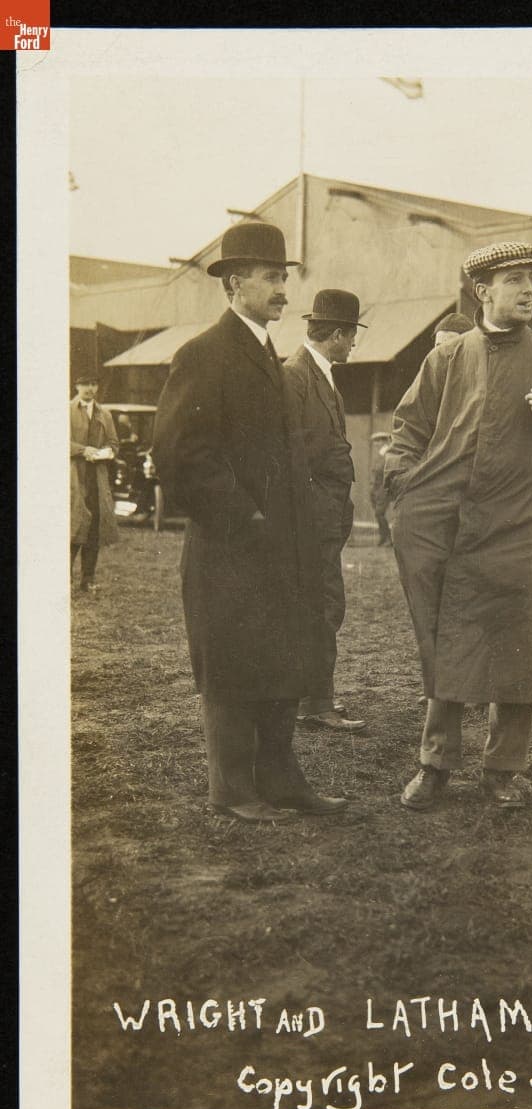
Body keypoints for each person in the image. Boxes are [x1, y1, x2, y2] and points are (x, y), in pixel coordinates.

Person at [385, 241, 532, 812]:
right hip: (459, 532)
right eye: (514, 280)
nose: (529, 290)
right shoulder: (446, 358)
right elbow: (409, 431)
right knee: (452, 645)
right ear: (482, 291)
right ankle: (435, 766)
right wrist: (406, 486)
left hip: (528, 530)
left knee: (523, 648)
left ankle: (503, 770)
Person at [152, 222, 349, 822]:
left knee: (280, 658)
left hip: (279, 547)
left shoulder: (267, 354)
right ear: (235, 284)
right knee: (235, 664)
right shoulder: (203, 355)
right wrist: (247, 514)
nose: (283, 289)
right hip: (231, 549)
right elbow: (179, 456)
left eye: (285, 277)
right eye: (270, 277)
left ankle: (281, 780)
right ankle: (232, 788)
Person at [282, 291, 367, 733]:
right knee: (322, 604)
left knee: (321, 605)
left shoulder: (319, 374)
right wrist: (313, 508)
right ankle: (315, 702)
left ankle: (310, 696)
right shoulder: (295, 376)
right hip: (310, 518)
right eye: (351, 336)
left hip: (325, 515)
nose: (353, 345)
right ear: (337, 334)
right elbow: (288, 454)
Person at [70, 372, 119, 594]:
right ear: (76, 386)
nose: (89, 388)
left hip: (97, 477)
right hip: (73, 476)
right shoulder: (67, 411)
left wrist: (108, 452)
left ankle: (88, 579)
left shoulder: (105, 414)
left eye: (93, 383)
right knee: (74, 525)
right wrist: (83, 450)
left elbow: (114, 443)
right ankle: (65, 577)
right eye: (85, 384)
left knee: (94, 529)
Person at [369, 432, 393, 546]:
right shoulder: (380, 454)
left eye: (378, 441)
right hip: (376, 487)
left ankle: (387, 537)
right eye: (376, 441)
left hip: (384, 488)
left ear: (384, 441)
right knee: (378, 513)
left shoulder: (387, 453)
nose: (376, 444)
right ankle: (383, 537)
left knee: (379, 513)